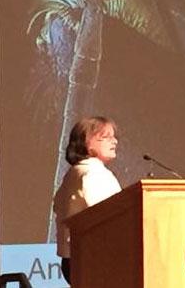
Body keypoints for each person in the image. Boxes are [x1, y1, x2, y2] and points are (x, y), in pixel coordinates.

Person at [53, 116, 122, 284]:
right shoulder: (92, 174)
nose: (114, 142)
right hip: (94, 259)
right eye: (106, 137)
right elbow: (110, 216)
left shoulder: (74, 173)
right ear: (87, 142)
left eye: (114, 137)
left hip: (76, 259)